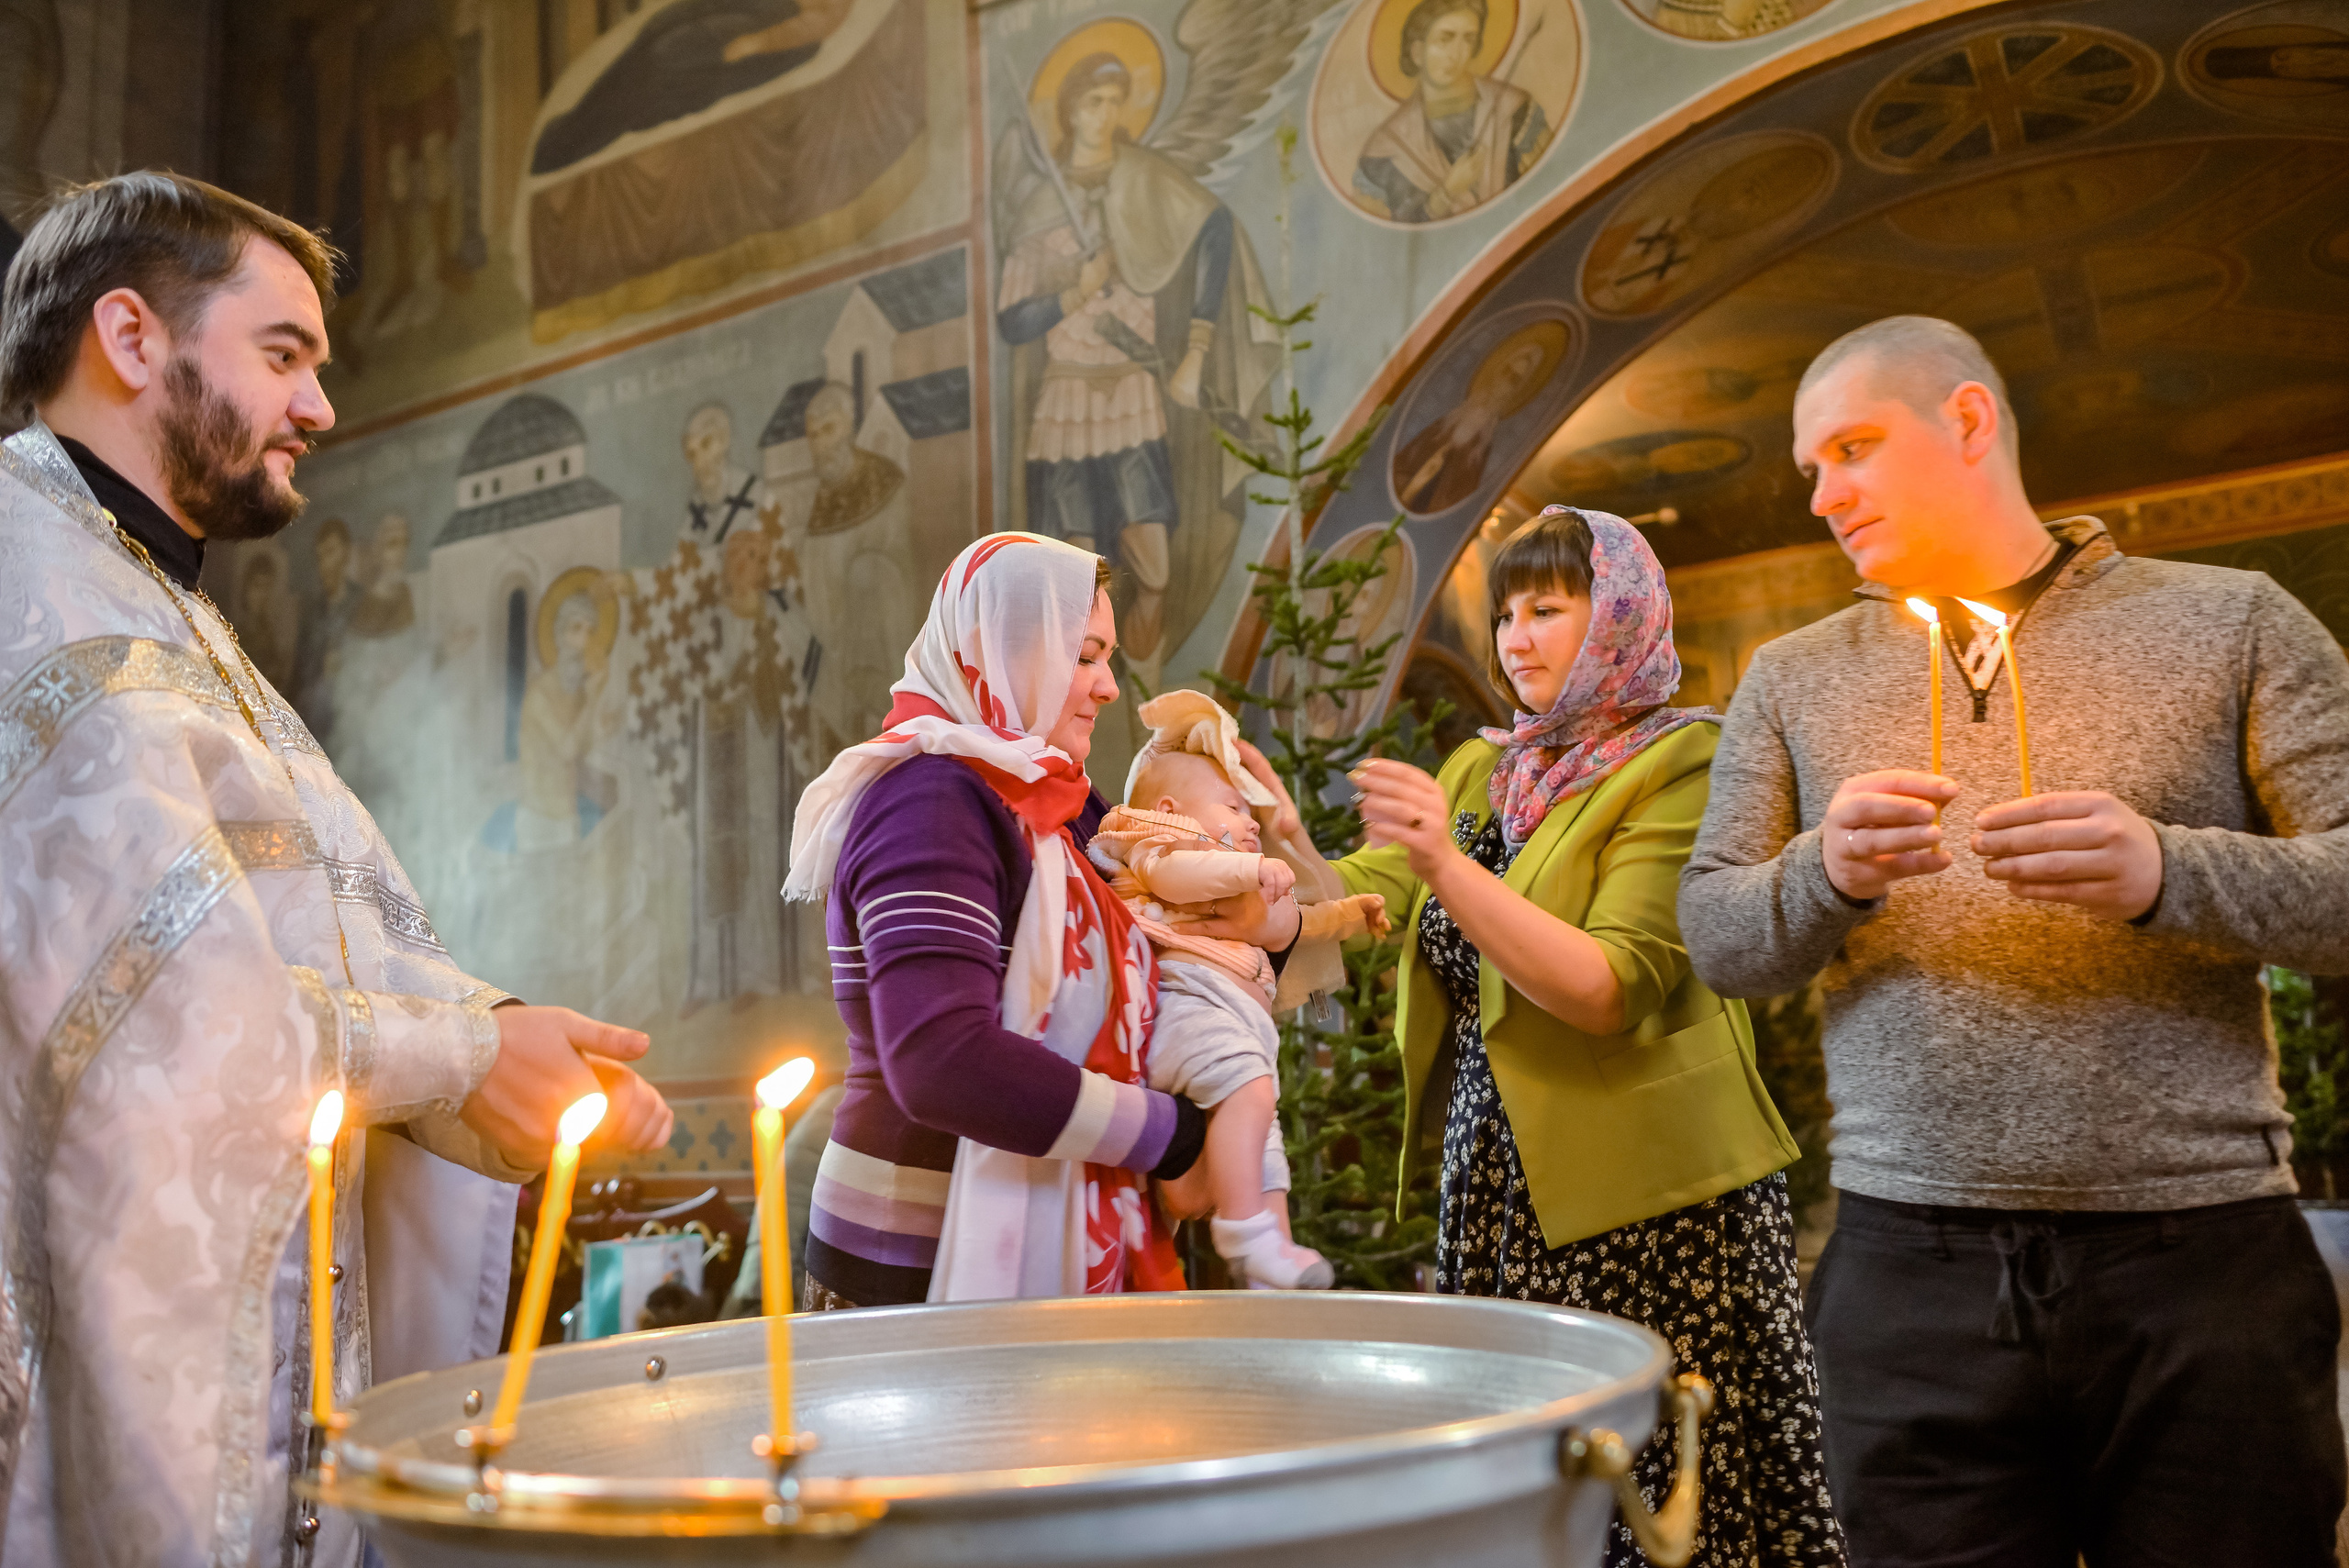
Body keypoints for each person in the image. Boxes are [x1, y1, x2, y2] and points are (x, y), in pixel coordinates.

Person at [0, 171, 674, 1565]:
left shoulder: (171, 612)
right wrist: (464, 1061)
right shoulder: (30, 583)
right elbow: (167, 1019)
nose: (318, 408)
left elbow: (325, 944)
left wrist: (494, 1049)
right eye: (284, 355)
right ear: (130, 339)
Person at [1678, 316, 2349, 1567]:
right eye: (1809, 468)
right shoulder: (1791, 676)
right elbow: (1720, 939)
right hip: (1904, 1270)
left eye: (1854, 448)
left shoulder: (2232, 621)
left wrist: (2168, 868)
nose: (1823, 496)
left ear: (1971, 422)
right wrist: (1823, 873)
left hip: (2201, 1266)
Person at [1267, 506, 1845, 1568]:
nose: (1515, 637)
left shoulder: (1680, 764)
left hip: (1655, 1209)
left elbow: (1607, 984)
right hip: (1495, 1189)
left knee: (1667, 1502)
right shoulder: (1479, 773)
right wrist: (1273, 852)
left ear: (1619, 617)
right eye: (1503, 614)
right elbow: (1358, 900)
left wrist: (1447, 867)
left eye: (1546, 608)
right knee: (1532, 1499)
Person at [782, 533, 1301, 1308]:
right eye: (1084, 656)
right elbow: (940, 1057)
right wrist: (1176, 1139)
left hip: (1054, 1228)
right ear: (1002, 648)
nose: (1108, 687)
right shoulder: (926, 800)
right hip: (914, 1270)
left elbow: (1176, 957)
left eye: (1109, 659)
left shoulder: (1066, 803)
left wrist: (1276, 926)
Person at [1087, 690, 1389, 1289]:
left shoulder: (1236, 876)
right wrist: (1250, 869)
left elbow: (1301, 921)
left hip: (1234, 1026)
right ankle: (1242, 1231)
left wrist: (1353, 914)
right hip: (1188, 1010)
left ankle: (1270, 1254)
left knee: (1264, 1140)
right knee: (1249, 1094)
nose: (1250, 821)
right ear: (1172, 810)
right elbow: (1187, 872)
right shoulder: (1156, 848)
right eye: (1231, 806)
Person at [1352, 0, 1550, 225]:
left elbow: (1549, 192)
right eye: (1445, 39)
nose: (1455, 54)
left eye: (1468, 40)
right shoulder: (1384, 152)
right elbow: (1392, 240)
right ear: (1417, 52)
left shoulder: (1515, 111)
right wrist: (1446, 193)